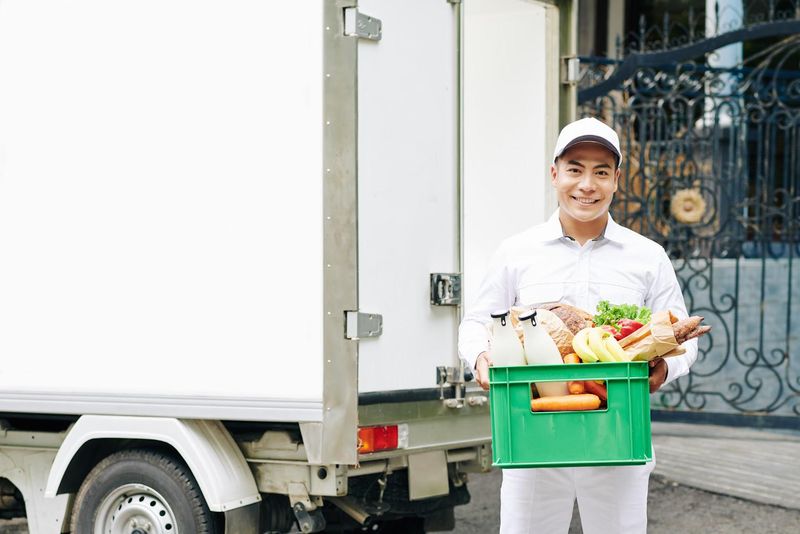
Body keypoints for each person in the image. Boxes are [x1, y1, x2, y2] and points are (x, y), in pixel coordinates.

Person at [458, 117, 698, 534]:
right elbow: (477, 322)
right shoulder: (518, 251)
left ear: (617, 180)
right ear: (555, 174)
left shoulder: (646, 255)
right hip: (533, 431)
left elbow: (681, 336)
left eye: (601, 172)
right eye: (575, 169)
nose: (587, 184)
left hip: (616, 435)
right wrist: (480, 357)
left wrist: (665, 368)